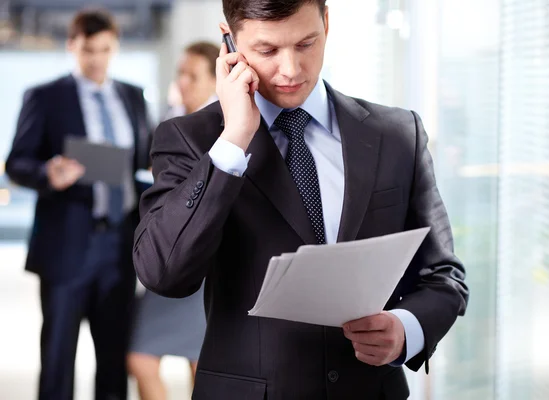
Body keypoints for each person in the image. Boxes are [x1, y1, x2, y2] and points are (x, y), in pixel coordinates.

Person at [132, 1, 469, 399]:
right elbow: (163, 273)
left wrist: (406, 330)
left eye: (306, 43)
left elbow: (444, 275)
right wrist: (233, 141)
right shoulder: (191, 141)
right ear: (230, 40)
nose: (290, 69)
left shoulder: (396, 134)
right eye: (267, 50)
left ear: (326, 23)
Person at [6, 9, 152, 400]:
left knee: (113, 357)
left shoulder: (132, 97)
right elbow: (17, 162)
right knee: (57, 358)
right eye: (88, 50)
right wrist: (47, 173)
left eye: (105, 49)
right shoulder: (45, 97)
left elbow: (145, 160)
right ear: (72, 46)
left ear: (115, 47)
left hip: (119, 245)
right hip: (66, 244)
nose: (97, 59)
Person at [127, 41, 219, 400]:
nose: (182, 81)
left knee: (200, 363)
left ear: (215, 80)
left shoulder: (224, 126)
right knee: (142, 357)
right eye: (180, 73)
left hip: (204, 260)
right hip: (169, 254)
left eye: (192, 75)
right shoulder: (175, 123)